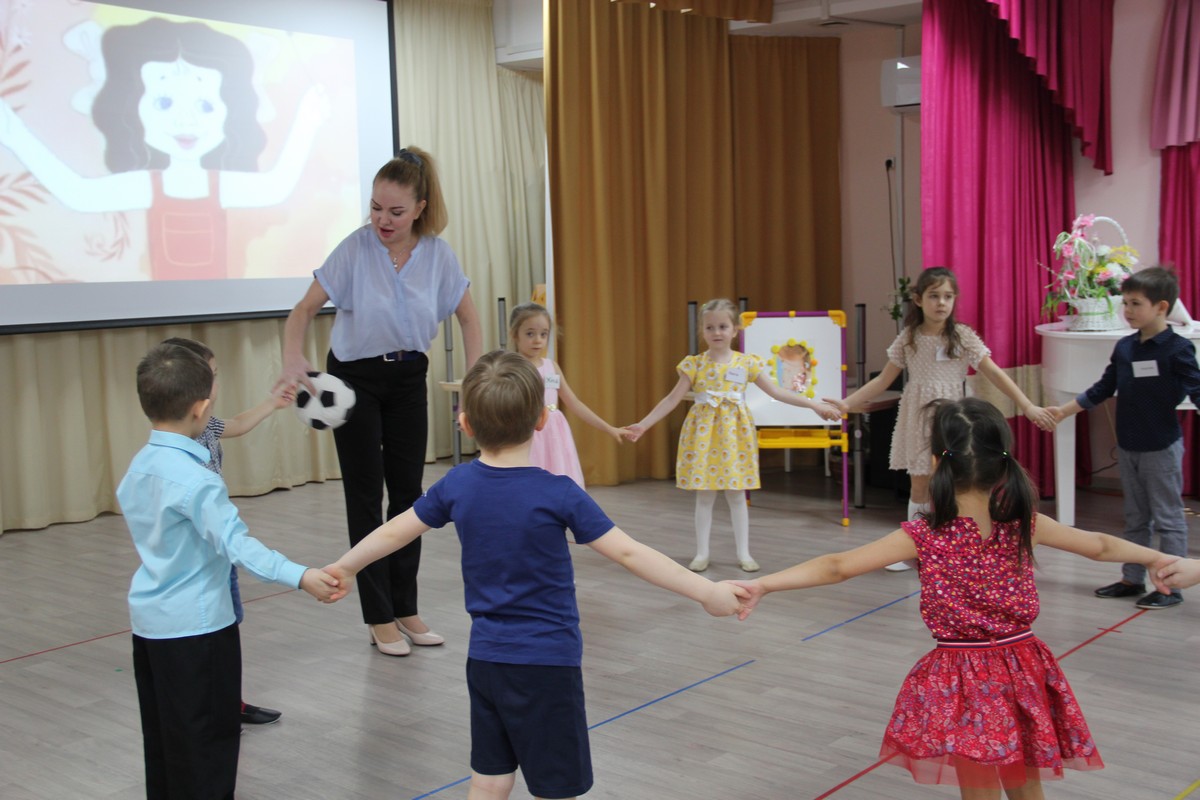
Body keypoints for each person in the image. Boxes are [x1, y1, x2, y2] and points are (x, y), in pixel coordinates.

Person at [322, 351, 746, 800]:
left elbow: (393, 531)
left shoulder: (456, 485)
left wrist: (344, 566)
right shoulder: (559, 492)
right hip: (547, 664)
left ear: (465, 424)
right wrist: (706, 591)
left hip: (486, 660)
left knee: (489, 779)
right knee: (555, 786)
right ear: (543, 420)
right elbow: (628, 552)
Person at [732, 397, 1176, 799]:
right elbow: (1100, 545)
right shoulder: (1023, 523)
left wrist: (765, 584)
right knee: (1026, 788)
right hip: (1022, 668)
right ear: (1003, 462)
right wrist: (1157, 558)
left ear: (935, 462)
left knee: (980, 790)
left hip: (963, 677)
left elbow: (837, 566)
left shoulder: (925, 535)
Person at [276, 146, 483, 657]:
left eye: (395, 211)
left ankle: (405, 606)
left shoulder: (439, 255)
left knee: (410, 496)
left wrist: (475, 383)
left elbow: (469, 319)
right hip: (355, 380)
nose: (382, 220)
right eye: (375, 208)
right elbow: (302, 311)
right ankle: (378, 616)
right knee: (366, 495)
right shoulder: (353, 249)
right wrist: (292, 359)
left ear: (420, 208)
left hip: (409, 377)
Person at [118, 342, 338, 799]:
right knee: (208, 744)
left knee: (165, 737)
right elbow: (238, 546)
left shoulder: (140, 465)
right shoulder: (197, 480)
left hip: (150, 628)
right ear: (201, 409)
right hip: (198, 630)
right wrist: (301, 575)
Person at [0, 17, 329, 280]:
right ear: (131, 109)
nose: (186, 120)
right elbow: (78, 193)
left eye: (205, 106)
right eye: (164, 102)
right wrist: (16, 136)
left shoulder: (219, 184)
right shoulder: (150, 185)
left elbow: (277, 186)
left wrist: (307, 121)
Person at [826, 267, 1055, 572]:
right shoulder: (909, 338)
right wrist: (846, 404)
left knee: (962, 483)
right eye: (934, 296)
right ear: (918, 300)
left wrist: (1027, 405)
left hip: (954, 419)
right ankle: (912, 551)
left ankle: (968, 547)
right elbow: (882, 380)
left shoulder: (962, 336)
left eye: (948, 296)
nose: (941, 303)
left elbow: (994, 372)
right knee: (920, 484)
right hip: (919, 417)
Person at [624, 298, 841, 573]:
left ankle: (744, 553)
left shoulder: (747, 363)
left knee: (737, 495)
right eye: (710, 327)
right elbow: (671, 399)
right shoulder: (694, 364)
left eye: (723, 326)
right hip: (704, 436)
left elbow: (777, 391)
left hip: (734, 436)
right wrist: (644, 424)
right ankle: (702, 553)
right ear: (702, 331)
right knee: (705, 496)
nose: (716, 332)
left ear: (735, 329)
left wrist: (814, 405)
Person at [1048, 266, 1200, 610]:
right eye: (1125, 303)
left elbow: (1196, 389)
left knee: (1168, 519)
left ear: (1161, 307)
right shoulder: (1126, 347)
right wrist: (1064, 411)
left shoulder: (1177, 349)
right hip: (1129, 445)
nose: (1127, 310)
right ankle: (1132, 578)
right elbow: (1103, 387)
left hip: (1161, 447)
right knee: (1135, 517)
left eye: (1135, 304)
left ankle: (1169, 586)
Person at [163, 337, 293, 727]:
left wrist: (272, 404)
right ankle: (214, 706)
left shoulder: (205, 425)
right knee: (211, 630)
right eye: (213, 375)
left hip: (217, 548)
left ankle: (227, 701)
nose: (217, 383)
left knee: (227, 623)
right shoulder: (178, 444)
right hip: (204, 549)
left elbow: (235, 425)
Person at [507, 302, 625, 487]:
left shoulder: (551, 367)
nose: (538, 340)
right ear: (515, 335)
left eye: (543, 334)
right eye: (530, 334)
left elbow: (574, 402)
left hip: (554, 434)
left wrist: (609, 428)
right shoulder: (512, 367)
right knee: (531, 480)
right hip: (526, 432)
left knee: (556, 478)